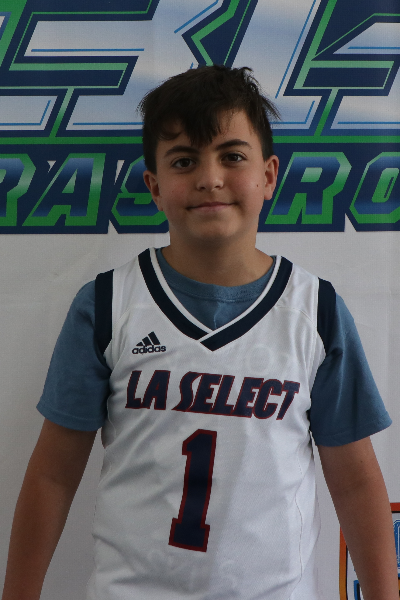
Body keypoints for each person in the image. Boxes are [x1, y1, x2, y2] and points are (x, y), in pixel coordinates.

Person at [2, 65, 398, 600]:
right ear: (154, 186)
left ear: (269, 175)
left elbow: (354, 481)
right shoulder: (108, 304)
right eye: (184, 161)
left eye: (232, 156)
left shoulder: (315, 312)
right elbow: (53, 475)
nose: (210, 178)